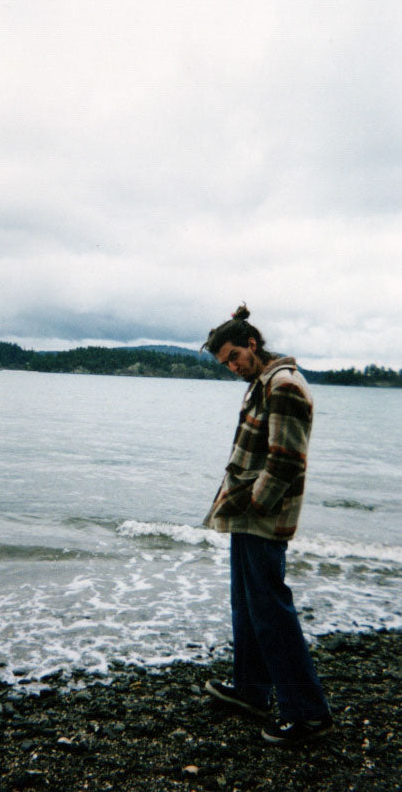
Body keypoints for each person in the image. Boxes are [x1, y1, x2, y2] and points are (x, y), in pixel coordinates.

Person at [200, 303, 333, 744]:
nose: (232, 368)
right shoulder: (262, 382)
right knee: (248, 607)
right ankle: (252, 691)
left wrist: (254, 507)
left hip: (263, 517)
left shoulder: (285, 386)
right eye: (225, 364)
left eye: (234, 358)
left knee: (272, 614)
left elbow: (285, 462)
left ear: (252, 344)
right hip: (247, 513)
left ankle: (309, 713)